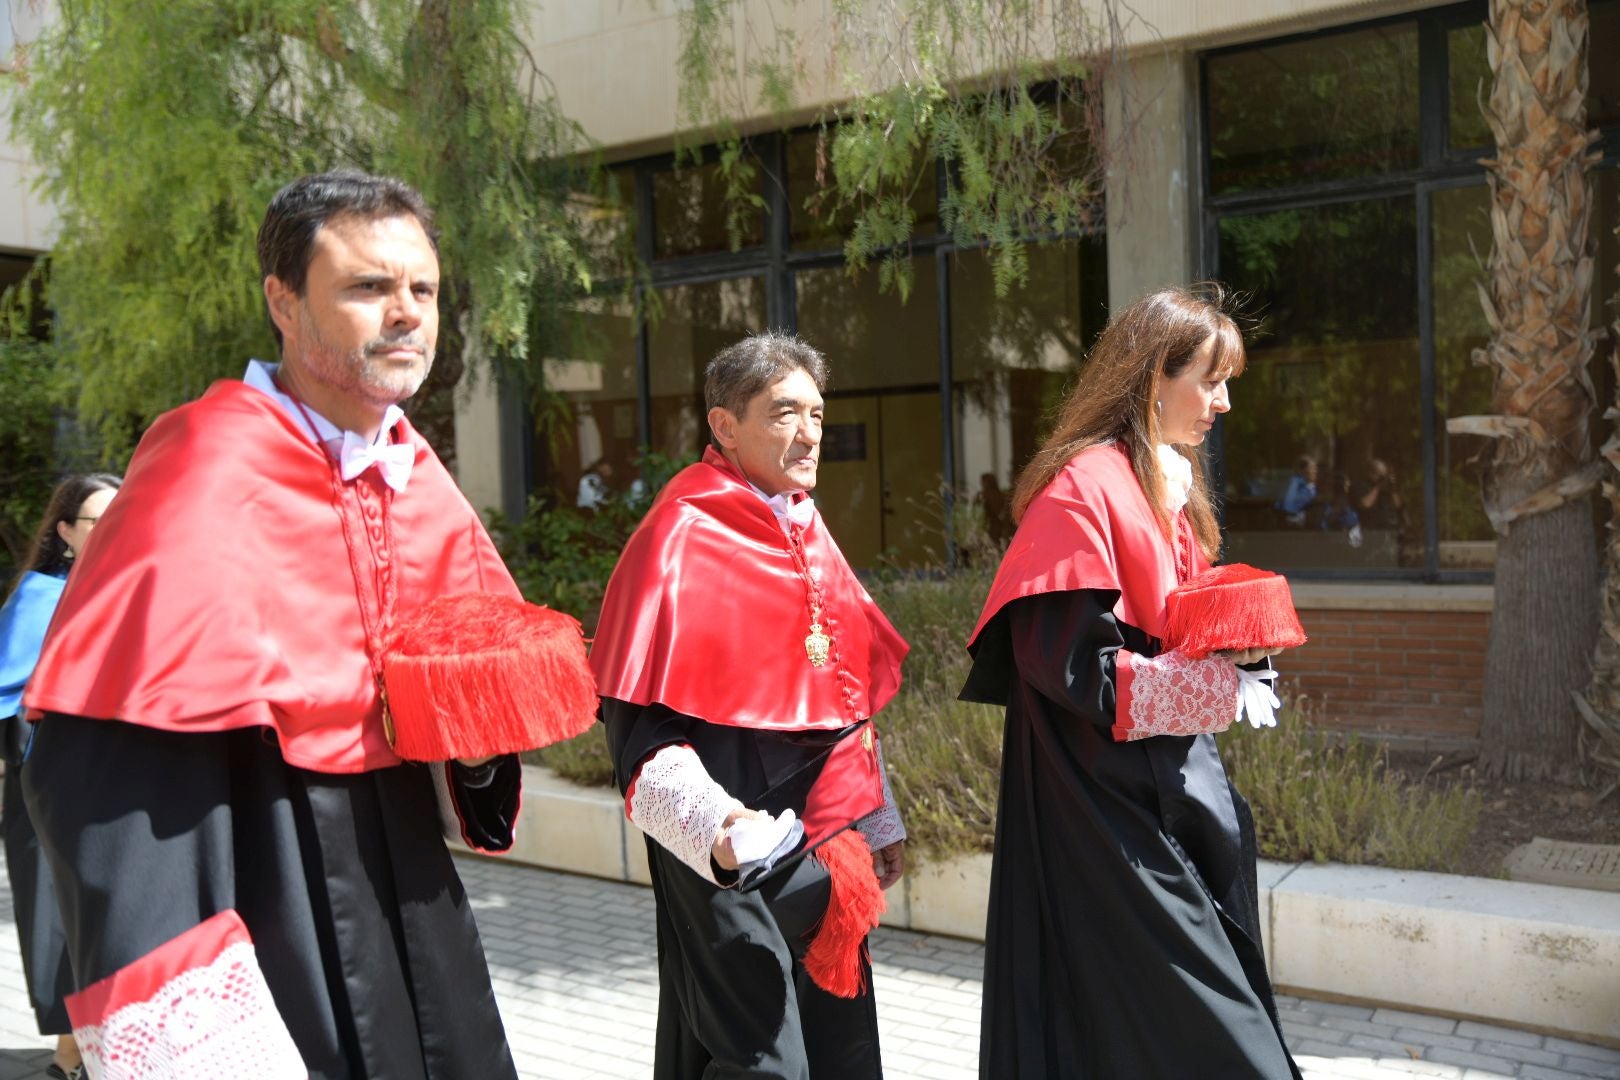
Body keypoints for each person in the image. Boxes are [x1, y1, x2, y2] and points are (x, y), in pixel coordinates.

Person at [21, 171, 525, 1079]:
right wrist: (182, 1020)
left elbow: (463, 718)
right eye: (369, 287)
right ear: (283, 302)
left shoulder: (416, 472)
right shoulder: (203, 465)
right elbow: (108, 753)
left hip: (412, 883)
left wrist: (479, 738)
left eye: (424, 289)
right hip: (259, 859)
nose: (406, 312)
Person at [960, 285, 1302, 1079]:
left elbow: (1169, 624)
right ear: (1154, 377)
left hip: (1159, 797)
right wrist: (1222, 690)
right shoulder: (1085, 486)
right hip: (1106, 818)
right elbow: (1072, 665)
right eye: (1209, 381)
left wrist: (1241, 650)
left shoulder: (1161, 483)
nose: (1221, 404)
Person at [590, 332, 910, 1080]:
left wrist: (877, 816)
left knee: (840, 1041)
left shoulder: (802, 520)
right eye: (784, 413)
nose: (809, 434)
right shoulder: (677, 534)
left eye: (819, 415)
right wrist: (722, 832)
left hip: (825, 834)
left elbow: (841, 688)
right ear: (725, 427)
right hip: (727, 841)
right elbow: (638, 731)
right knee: (758, 1051)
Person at [1, 473, 121, 1080]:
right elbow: (8, 697)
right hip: (55, 787)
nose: (112, 530)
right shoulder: (40, 598)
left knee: (117, 920)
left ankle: (77, 1056)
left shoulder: (137, 589)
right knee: (65, 918)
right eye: (98, 520)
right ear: (66, 532)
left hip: (128, 785)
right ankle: (71, 1054)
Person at [1275, 454, 1318, 526]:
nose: (1315, 471)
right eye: (1312, 468)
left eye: (1315, 468)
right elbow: (1289, 507)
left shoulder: (1311, 487)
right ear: (1301, 471)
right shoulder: (1294, 484)